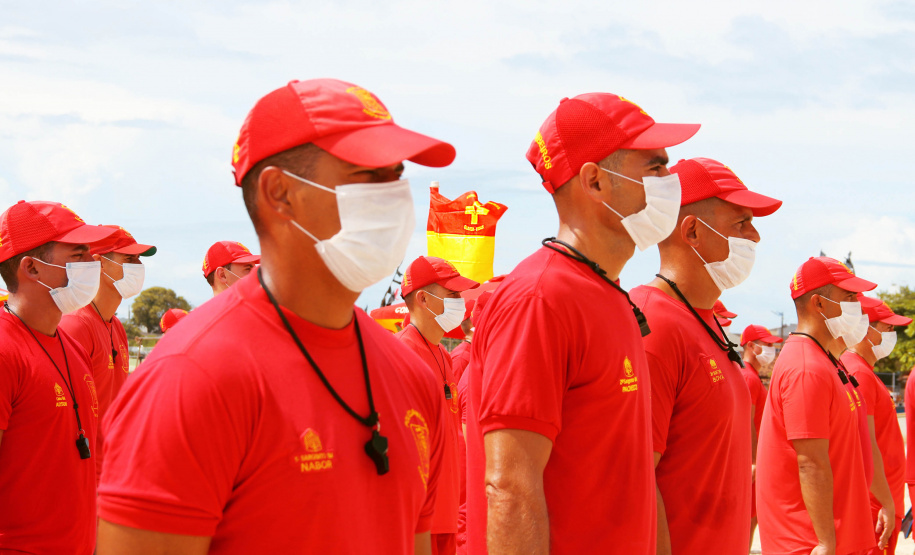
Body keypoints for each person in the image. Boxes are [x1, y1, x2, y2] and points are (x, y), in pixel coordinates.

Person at [97, 78, 457, 554]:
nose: (393, 197)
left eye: (396, 176)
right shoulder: (193, 379)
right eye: (368, 176)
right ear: (280, 193)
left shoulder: (410, 374)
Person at [466, 92, 700, 554]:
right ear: (595, 181)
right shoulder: (541, 298)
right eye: (655, 168)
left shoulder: (609, 294)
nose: (670, 182)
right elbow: (510, 486)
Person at [630, 157, 782, 554]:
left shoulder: (707, 323)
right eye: (741, 223)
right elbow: (635, 480)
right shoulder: (653, 325)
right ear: (692, 231)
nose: (756, 236)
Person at [0, 200, 116, 553]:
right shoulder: (5, 351)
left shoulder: (72, 346)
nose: (92, 263)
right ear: (32, 268)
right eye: (78, 253)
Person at [757, 256, 879, 555]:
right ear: (819, 304)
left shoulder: (823, 359)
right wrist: (825, 542)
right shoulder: (805, 367)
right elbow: (810, 462)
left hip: (837, 533)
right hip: (809, 541)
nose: (858, 305)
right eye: (849, 297)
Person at [59, 225, 156, 483]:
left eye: (139, 260)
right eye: (129, 259)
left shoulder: (116, 326)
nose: (138, 267)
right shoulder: (75, 325)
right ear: (98, 263)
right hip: (84, 473)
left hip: (113, 467)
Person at [396, 256, 479, 555]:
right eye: (453, 295)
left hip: (449, 510)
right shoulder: (402, 353)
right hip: (422, 516)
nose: (461, 303)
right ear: (422, 298)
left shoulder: (443, 355)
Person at [842, 295, 911, 555]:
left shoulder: (865, 372)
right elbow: (864, 445)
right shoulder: (859, 373)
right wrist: (884, 502)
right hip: (874, 503)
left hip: (881, 499)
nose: (893, 335)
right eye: (888, 328)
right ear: (865, 328)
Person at [740, 323, 783, 548]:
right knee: (748, 521)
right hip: (752, 464)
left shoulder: (752, 376)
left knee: (752, 519)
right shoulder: (749, 377)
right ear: (751, 346)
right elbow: (747, 421)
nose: (770, 350)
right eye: (766, 345)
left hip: (756, 462)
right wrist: (754, 460)